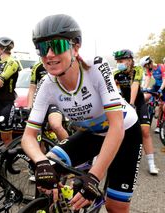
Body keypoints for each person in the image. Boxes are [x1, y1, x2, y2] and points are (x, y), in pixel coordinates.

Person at [21, 14, 142, 213]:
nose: (49, 54)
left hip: (124, 132)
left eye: (57, 46)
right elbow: (28, 137)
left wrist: (94, 176)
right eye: (42, 48)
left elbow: (116, 126)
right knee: (46, 171)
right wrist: (41, 162)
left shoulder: (95, 67)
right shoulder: (47, 85)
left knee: (116, 207)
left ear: (75, 47)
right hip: (91, 134)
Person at [113, 49, 159, 175]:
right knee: (123, 132)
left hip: (138, 103)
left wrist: (132, 104)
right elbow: (111, 88)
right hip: (125, 104)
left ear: (129, 60)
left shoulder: (137, 69)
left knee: (145, 131)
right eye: (117, 61)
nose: (118, 63)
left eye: (121, 61)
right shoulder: (116, 73)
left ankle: (151, 164)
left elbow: (135, 86)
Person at [27, 61, 69, 141]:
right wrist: (29, 107)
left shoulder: (59, 62)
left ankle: (69, 149)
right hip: (42, 102)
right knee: (38, 135)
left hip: (56, 102)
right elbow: (32, 88)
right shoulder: (37, 67)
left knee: (55, 125)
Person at [140, 56, 165, 133]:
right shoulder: (149, 70)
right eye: (144, 67)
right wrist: (144, 88)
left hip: (163, 86)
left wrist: (161, 90)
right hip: (156, 86)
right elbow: (147, 79)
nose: (146, 68)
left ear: (150, 63)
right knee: (144, 96)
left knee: (161, 106)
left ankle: (159, 125)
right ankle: (146, 109)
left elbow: (164, 80)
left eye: (146, 66)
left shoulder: (161, 67)